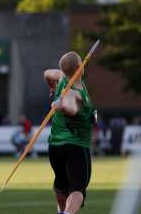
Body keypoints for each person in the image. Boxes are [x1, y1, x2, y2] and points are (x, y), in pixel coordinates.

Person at [44, 51, 96, 214]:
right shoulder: (74, 92)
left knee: (60, 185)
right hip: (76, 146)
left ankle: (61, 211)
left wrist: (51, 86)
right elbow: (71, 108)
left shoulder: (61, 78)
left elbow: (48, 73)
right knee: (77, 189)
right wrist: (61, 105)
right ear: (80, 67)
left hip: (55, 146)